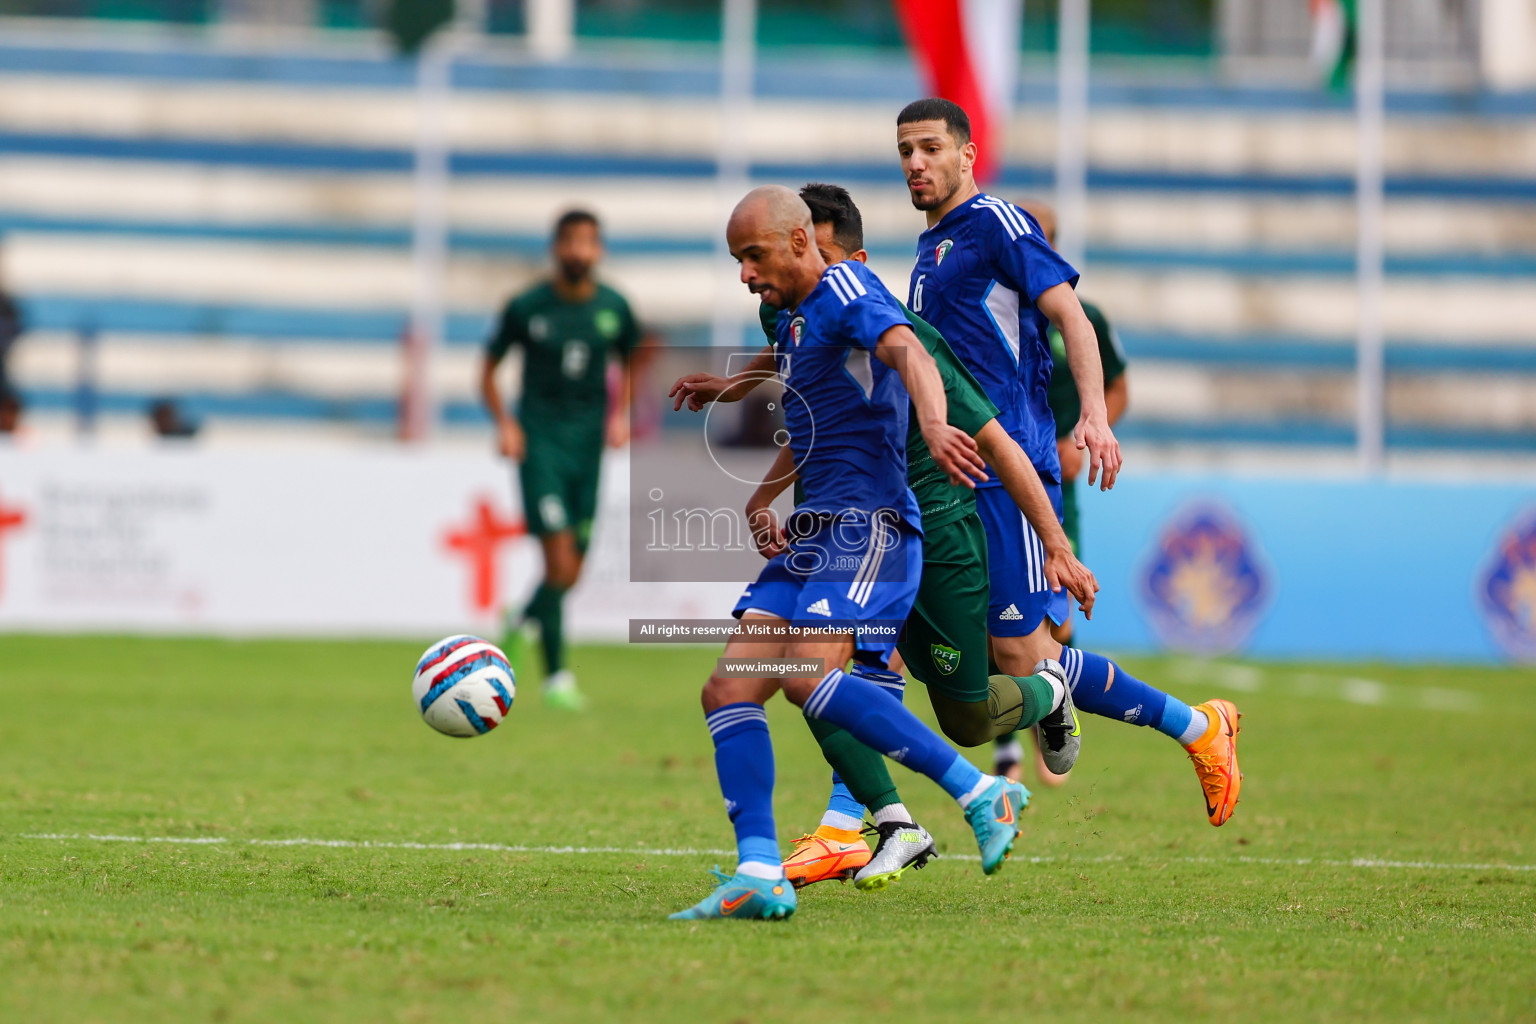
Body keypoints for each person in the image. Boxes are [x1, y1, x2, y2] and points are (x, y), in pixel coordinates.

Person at [671, 183, 1097, 891]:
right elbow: (793, 378)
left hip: (874, 527)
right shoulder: (797, 317)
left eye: (752, 256)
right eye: (738, 260)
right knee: (728, 688)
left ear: (806, 243)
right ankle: (759, 872)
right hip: (816, 533)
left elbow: (908, 352)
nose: (744, 274)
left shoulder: (848, 291)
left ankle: (970, 791)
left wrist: (934, 424)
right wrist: (736, 406)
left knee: (829, 679)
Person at [896, 98, 1242, 827]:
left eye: (931, 148)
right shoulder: (931, 249)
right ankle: (870, 813)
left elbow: (1072, 317)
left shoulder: (998, 222)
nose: (917, 163)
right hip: (952, 472)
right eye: (906, 151)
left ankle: (1200, 729)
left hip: (1006, 466)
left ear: (968, 153)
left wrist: (1090, 411)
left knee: (1023, 657)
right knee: (966, 650)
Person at [481, 209, 640, 711]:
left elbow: (632, 359)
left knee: (572, 571)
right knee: (559, 560)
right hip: (540, 444)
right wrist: (506, 424)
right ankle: (557, 679)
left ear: (599, 250)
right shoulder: (528, 306)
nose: (578, 251)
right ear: (555, 247)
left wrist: (620, 415)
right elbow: (487, 368)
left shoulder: (614, 307)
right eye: (570, 241)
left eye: (587, 242)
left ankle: (523, 617)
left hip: (588, 448)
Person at [994, 200, 1130, 786]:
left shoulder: (1082, 315)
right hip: (997, 474)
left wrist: (1091, 429)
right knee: (999, 613)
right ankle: (1009, 752)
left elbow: (1120, 386)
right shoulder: (991, 309)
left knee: (1055, 617)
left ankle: (1049, 715)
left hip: (1051, 479)